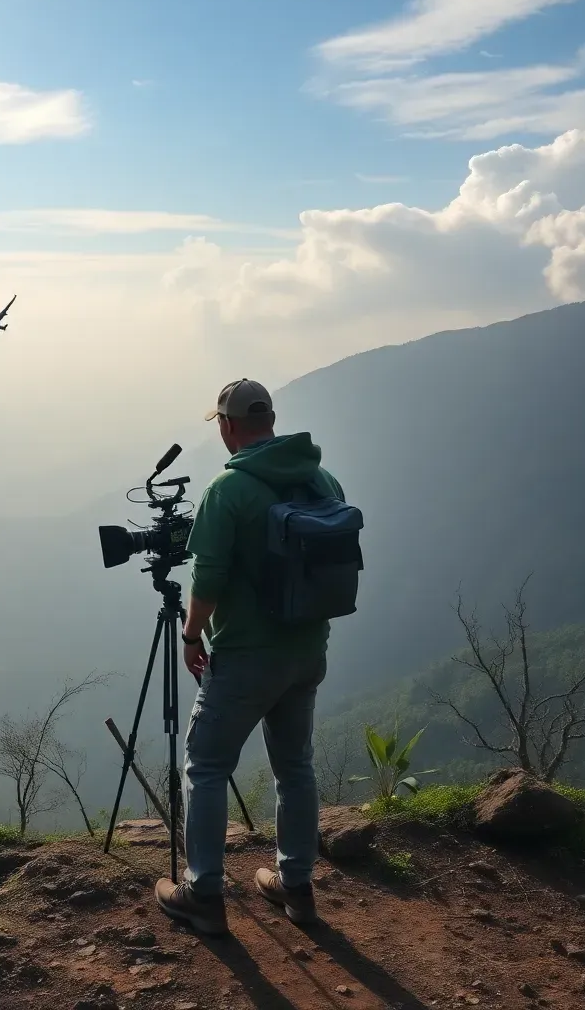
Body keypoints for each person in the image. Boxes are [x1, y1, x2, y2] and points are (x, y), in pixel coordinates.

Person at [154, 378, 346, 936]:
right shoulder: (320, 477)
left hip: (245, 655)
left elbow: (208, 574)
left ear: (228, 425)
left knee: (208, 765)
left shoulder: (228, 489)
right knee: (295, 768)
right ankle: (297, 887)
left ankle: (204, 894)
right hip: (309, 648)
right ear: (270, 418)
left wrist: (192, 636)